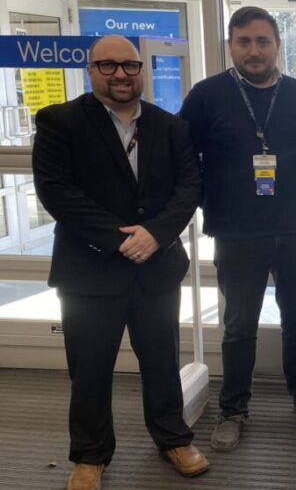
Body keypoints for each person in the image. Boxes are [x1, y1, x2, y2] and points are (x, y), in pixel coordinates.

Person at [32, 35, 208, 489]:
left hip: (157, 264)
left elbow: (189, 187)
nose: (120, 75)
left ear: (141, 70)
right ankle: (90, 456)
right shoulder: (59, 122)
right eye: (108, 66)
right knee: (89, 368)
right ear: (91, 71)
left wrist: (156, 235)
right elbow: (57, 192)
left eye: (129, 65)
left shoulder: (171, 127)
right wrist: (119, 240)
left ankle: (172, 438)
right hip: (89, 270)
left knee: (163, 362)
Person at [179, 6, 296, 452]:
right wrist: (199, 204)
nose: (254, 51)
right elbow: (181, 158)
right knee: (238, 324)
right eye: (244, 42)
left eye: (263, 41)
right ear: (231, 45)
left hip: (293, 226)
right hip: (236, 230)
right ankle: (234, 408)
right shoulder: (206, 95)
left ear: (277, 46)